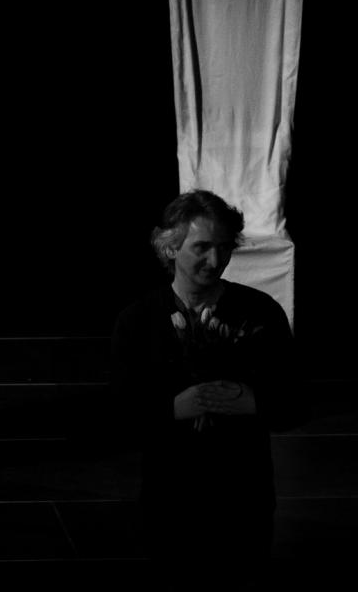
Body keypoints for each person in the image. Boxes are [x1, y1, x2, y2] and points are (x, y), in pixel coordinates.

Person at [111, 190, 305, 589]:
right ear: (170, 248)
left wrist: (253, 402)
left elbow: (293, 402)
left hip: (243, 495)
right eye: (202, 247)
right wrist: (173, 409)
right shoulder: (138, 321)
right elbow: (119, 415)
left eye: (223, 248)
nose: (215, 261)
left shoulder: (260, 313)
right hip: (171, 496)